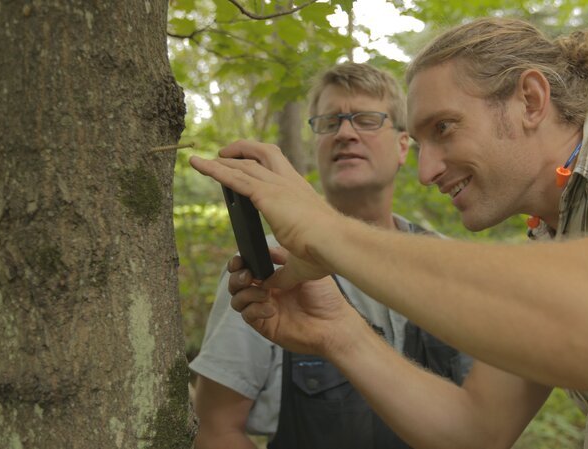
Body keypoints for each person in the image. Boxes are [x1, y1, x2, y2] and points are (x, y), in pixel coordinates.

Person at [191, 17, 588, 449]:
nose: (425, 171)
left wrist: (327, 232)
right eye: (420, 143)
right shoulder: (551, 246)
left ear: (530, 99)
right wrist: (339, 335)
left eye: (445, 128)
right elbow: (473, 429)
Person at [189, 62, 471, 449]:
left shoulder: (451, 267)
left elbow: (484, 423)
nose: (345, 133)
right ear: (315, 145)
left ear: (403, 146)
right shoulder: (269, 265)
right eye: (329, 122)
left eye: (367, 120)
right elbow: (216, 429)